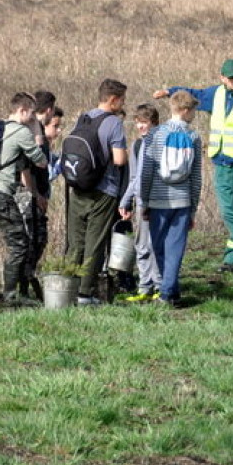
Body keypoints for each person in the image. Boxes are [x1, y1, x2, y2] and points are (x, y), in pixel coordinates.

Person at [153, 59, 233, 273]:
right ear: (222, 78)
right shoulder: (215, 94)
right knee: (228, 213)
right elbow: (193, 94)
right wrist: (169, 91)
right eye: (231, 78)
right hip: (222, 164)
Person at [0, 93, 49, 309]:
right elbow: (41, 162)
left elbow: (19, 164)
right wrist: (36, 131)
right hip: (0, 195)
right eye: (32, 114)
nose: (33, 118)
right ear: (22, 110)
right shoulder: (21, 132)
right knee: (19, 244)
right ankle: (10, 296)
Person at [64, 79, 128, 305]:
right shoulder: (114, 123)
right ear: (113, 100)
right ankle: (85, 293)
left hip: (79, 186)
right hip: (104, 190)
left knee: (75, 242)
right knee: (95, 242)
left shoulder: (84, 118)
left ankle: (67, 289)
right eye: (122, 100)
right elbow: (119, 159)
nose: (123, 104)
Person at [139, 90, 203, 307]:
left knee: (158, 247)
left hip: (158, 200)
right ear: (185, 110)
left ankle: (167, 292)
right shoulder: (193, 137)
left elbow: (147, 172)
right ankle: (171, 292)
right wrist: (193, 207)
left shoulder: (155, 134)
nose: (194, 114)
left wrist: (144, 201)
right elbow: (196, 177)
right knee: (175, 249)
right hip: (183, 200)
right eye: (193, 110)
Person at [15, 90, 57, 302]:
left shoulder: (36, 129)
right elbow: (27, 166)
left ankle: (26, 284)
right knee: (33, 240)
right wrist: (36, 193)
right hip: (28, 194)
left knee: (36, 241)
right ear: (49, 110)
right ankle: (22, 288)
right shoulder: (30, 130)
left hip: (36, 192)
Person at [120, 104, 163, 302]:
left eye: (145, 122)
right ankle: (144, 287)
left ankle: (160, 285)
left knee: (157, 244)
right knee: (142, 244)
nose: (140, 127)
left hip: (158, 201)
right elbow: (134, 178)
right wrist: (126, 200)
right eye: (138, 123)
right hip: (140, 201)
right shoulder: (137, 145)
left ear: (154, 123)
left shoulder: (162, 143)